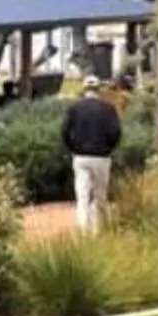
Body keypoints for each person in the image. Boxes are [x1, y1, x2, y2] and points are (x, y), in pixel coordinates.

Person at [62, 78, 125, 234]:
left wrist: (72, 147)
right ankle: (99, 231)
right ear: (98, 90)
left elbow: (64, 131)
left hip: (81, 156)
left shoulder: (75, 108)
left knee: (82, 195)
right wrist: (110, 148)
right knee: (100, 195)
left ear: (84, 90)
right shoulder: (108, 109)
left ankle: (83, 232)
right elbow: (116, 132)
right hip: (101, 157)